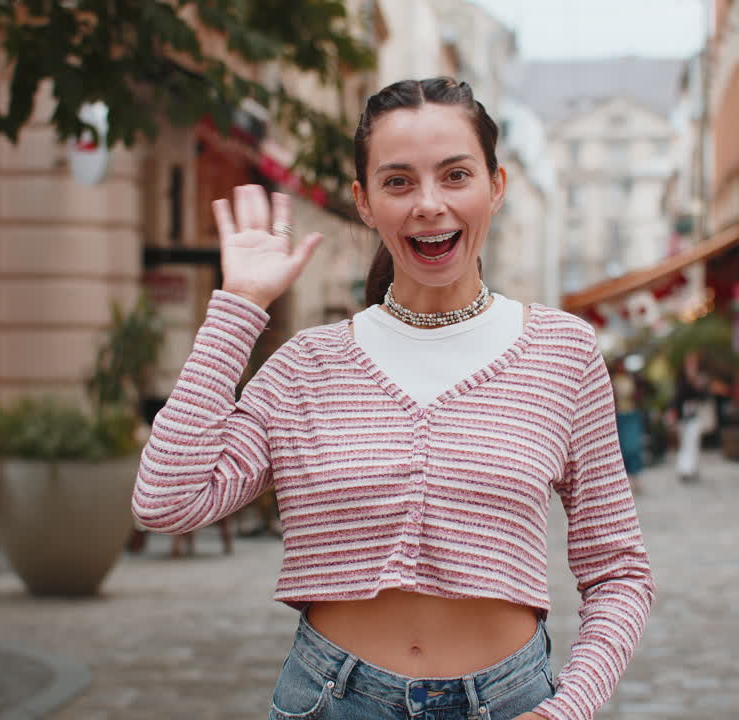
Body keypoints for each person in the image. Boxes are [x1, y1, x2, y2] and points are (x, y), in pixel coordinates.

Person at [133, 78, 653, 720]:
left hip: (513, 703)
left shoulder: (562, 353)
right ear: (364, 202)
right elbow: (166, 499)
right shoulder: (304, 368)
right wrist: (239, 306)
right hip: (332, 702)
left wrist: (569, 707)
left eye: (455, 175)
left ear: (496, 186)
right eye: (399, 182)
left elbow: (618, 573)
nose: (428, 204)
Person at [667, 350, 711, 484]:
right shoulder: (681, 379)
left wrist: (698, 385)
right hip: (683, 416)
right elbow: (677, 398)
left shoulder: (700, 379)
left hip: (695, 416)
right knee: (685, 443)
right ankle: (684, 468)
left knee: (692, 442)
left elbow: (704, 397)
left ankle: (690, 468)